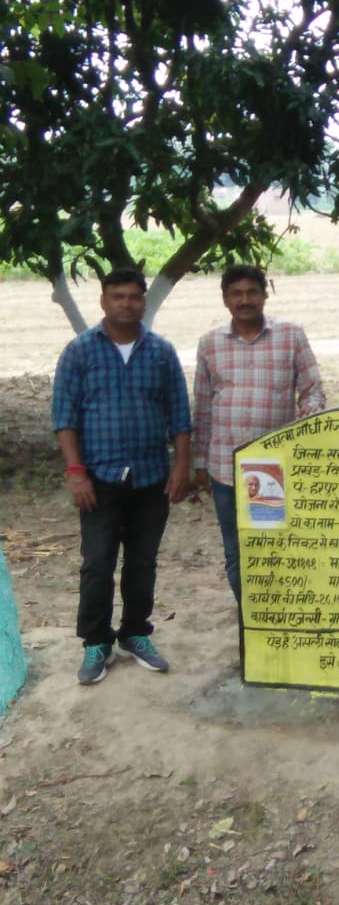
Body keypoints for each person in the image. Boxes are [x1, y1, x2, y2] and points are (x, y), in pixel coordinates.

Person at [52, 268, 192, 685]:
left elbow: (179, 414)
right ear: (103, 301)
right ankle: (97, 641)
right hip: (99, 478)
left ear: (143, 303)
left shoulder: (161, 352)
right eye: (118, 297)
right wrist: (76, 472)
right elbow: (65, 418)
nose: (126, 304)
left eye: (134, 297)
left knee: (142, 561)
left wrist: (182, 465)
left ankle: (135, 632)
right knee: (97, 563)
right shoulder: (80, 351)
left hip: (151, 477)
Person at [192, 264, 326, 608]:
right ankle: (253, 623)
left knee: (277, 548)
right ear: (225, 299)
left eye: (252, 292)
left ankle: (281, 619)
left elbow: (312, 390)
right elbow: (204, 409)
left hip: (273, 471)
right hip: (225, 470)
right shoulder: (210, 344)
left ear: (265, 295)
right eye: (236, 293)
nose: (245, 300)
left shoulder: (290, 336)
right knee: (237, 552)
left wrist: (307, 414)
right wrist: (199, 464)